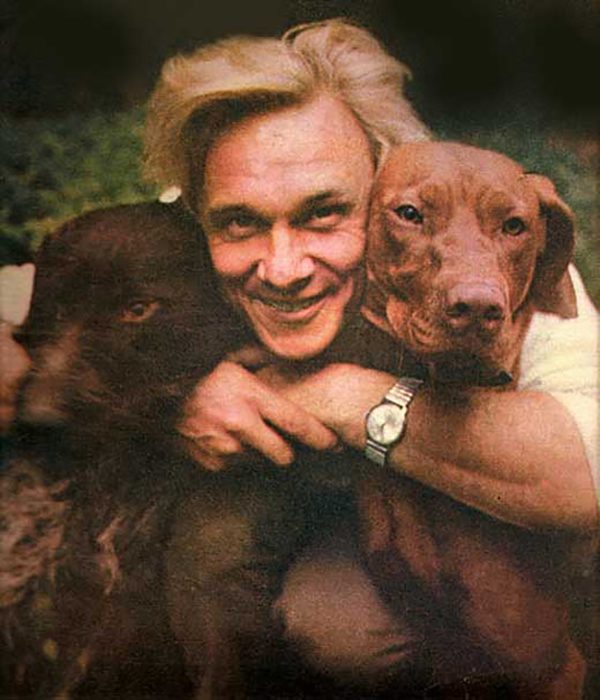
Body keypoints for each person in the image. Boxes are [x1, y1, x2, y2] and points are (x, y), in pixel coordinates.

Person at [144, 18, 598, 696]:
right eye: (239, 222)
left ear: (385, 175)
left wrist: (341, 395)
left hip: (412, 527)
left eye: (324, 212)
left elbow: (588, 469)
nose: (285, 268)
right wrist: (176, 388)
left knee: (350, 630)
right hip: (301, 504)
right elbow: (43, 297)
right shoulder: (198, 218)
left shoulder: (489, 264)